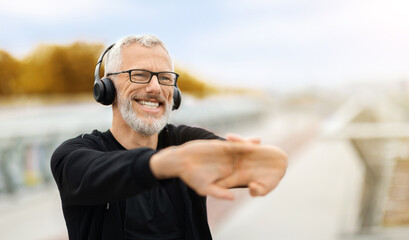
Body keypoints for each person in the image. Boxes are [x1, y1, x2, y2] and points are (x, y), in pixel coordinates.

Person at [51, 34, 287, 240]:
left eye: (165, 78)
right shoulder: (72, 155)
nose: (155, 88)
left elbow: (256, 163)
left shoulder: (186, 141)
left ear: (174, 93)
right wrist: (171, 162)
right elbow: (94, 172)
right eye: (140, 75)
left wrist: (270, 162)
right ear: (106, 88)